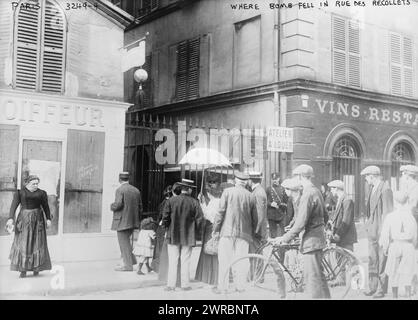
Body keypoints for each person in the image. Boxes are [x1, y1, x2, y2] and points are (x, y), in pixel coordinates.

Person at [275, 164, 331, 299]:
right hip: (318, 239)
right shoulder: (316, 191)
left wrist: (285, 238)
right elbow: (326, 215)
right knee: (320, 277)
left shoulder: (307, 193)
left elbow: (301, 222)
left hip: (311, 241)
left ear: (300, 177)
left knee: (312, 280)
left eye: (296, 177)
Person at [212, 171, 258, 294]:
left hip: (227, 232)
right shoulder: (251, 196)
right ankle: (240, 286)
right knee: (241, 260)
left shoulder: (227, 192)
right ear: (246, 182)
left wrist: (215, 229)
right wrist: (252, 232)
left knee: (224, 260)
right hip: (244, 233)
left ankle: (223, 287)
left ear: (235, 181)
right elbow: (255, 218)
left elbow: (220, 212)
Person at [6, 175, 52, 278]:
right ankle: (23, 270)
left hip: (38, 220)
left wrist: (48, 219)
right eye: (33, 183)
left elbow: (46, 207)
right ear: (27, 183)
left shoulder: (42, 193)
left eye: (37, 183)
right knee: (24, 243)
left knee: (37, 243)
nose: (36, 185)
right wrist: (10, 218)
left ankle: (37, 268)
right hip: (24, 220)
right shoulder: (20, 193)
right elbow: (13, 206)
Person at [162, 179, 203, 291]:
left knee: (173, 260)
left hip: (173, 234)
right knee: (186, 260)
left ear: (181, 189)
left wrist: (166, 227)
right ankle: (185, 285)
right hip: (188, 235)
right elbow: (200, 219)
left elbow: (165, 218)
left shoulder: (171, 201)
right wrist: (198, 233)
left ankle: (171, 285)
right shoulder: (195, 202)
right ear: (189, 189)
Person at [361, 165, 393, 298]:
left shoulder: (385, 189)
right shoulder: (373, 188)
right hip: (372, 232)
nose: (366, 180)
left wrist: (385, 234)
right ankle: (373, 287)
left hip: (381, 232)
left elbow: (388, 213)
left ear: (372, 176)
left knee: (382, 260)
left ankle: (381, 288)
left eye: (367, 177)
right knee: (372, 259)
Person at [379, 191, 417, 299]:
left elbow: (385, 234)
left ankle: (395, 297)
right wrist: (413, 246)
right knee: (407, 272)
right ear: (406, 203)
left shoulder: (390, 216)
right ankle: (408, 296)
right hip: (408, 245)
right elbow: (415, 234)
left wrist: (385, 247)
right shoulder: (411, 217)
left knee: (394, 273)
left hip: (395, 244)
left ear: (395, 203)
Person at [110, 172, 143, 272]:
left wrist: (112, 206)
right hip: (132, 221)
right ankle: (131, 261)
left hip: (122, 221)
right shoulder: (136, 190)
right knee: (126, 242)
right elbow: (140, 207)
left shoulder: (120, 190)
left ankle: (128, 266)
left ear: (120, 179)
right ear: (128, 179)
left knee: (123, 243)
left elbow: (118, 204)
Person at [195, 175, 222, 286]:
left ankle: (209, 276)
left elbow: (207, 215)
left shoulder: (214, 202)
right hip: (218, 228)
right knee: (216, 251)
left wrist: (201, 204)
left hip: (211, 228)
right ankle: (216, 277)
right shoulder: (219, 200)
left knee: (209, 250)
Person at [326, 180, 357, 252]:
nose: (331, 191)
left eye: (332, 189)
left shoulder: (347, 200)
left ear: (336, 189)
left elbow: (346, 220)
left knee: (347, 260)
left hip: (346, 238)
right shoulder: (340, 199)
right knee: (340, 261)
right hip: (341, 237)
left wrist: (338, 234)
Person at [152, 185, 172, 273]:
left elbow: (160, 215)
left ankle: (157, 267)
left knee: (159, 247)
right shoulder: (169, 202)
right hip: (165, 227)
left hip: (161, 227)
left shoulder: (164, 202)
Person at [248, 171, 269, 251]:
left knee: (257, 251)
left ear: (251, 180)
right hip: (259, 229)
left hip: (259, 230)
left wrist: (256, 231)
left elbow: (259, 214)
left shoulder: (258, 192)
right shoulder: (258, 190)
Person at [266, 173, 289, 238]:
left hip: (281, 213)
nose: (274, 180)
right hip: (271, 214)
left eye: (276, 179)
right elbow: (265, 201)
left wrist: (282, 206)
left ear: (279, 179)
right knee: (273, 234)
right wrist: (270, 204)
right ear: (271, 180)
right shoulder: (268, 189)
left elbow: (286, 201)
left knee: (282, 234)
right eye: (273, 179)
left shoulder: (283, 189)